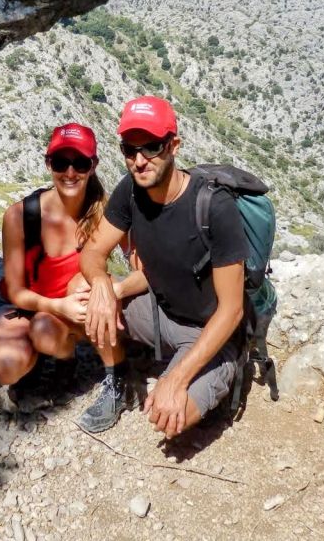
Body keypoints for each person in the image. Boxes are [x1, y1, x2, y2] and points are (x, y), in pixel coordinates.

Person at [80, 96, 249, 436]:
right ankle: (117, 380)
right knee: (79, 298)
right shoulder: (130, 191)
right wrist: (101, 285)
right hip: (158, 311)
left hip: (207, 331)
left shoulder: (214, 207)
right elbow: (92, 253)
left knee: (169, 416)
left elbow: (231, 311)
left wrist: (176, 378)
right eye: (130, 150)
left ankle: (221, 370)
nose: (140, 161)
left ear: (173, 145)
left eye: (152, 147)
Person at [0, 122, 145, 418]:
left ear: (93, 165)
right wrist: (57, 306)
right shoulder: (20, 216)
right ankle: (43, 357)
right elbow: (17, 290)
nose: (70, 173)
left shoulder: (107, 215)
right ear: (49, 164)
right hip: (31, 303)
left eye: (80, 163)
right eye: (61, 163)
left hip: (75, 310)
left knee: (73, 296)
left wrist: (113, 290)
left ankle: (73, 364)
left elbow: (144, 270)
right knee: (6, 365)